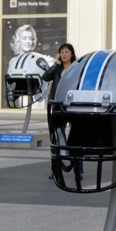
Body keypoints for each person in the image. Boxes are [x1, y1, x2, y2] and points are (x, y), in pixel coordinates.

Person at [42, 43, 77, 178]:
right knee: (56, 138)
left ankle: (77, 171)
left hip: (73, 106)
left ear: (72, 54)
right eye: (61, 52)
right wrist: (56, 65)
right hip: (58, 106)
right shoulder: (57, 69)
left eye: (66, 52)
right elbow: (45, 77)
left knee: (75, 138)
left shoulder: (76, 68)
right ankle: (55, 170)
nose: (63, 54)